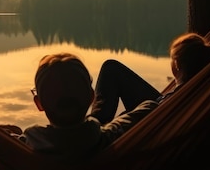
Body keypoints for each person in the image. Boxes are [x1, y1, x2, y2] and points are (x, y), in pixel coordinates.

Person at [12, 52, 158, 158]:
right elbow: (153, 106)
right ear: (92, 97)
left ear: (39, 104)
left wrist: (10, 135)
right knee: (111, 68)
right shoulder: (113, 136)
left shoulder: (24, 147)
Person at [89, 33, 210, 124]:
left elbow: (149, 114)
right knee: (112, 67)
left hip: (156, 118)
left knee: (111, 68)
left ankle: (94, 124)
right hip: (160, 112)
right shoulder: (201, 87)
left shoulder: (177, 98)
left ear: (177, 65)